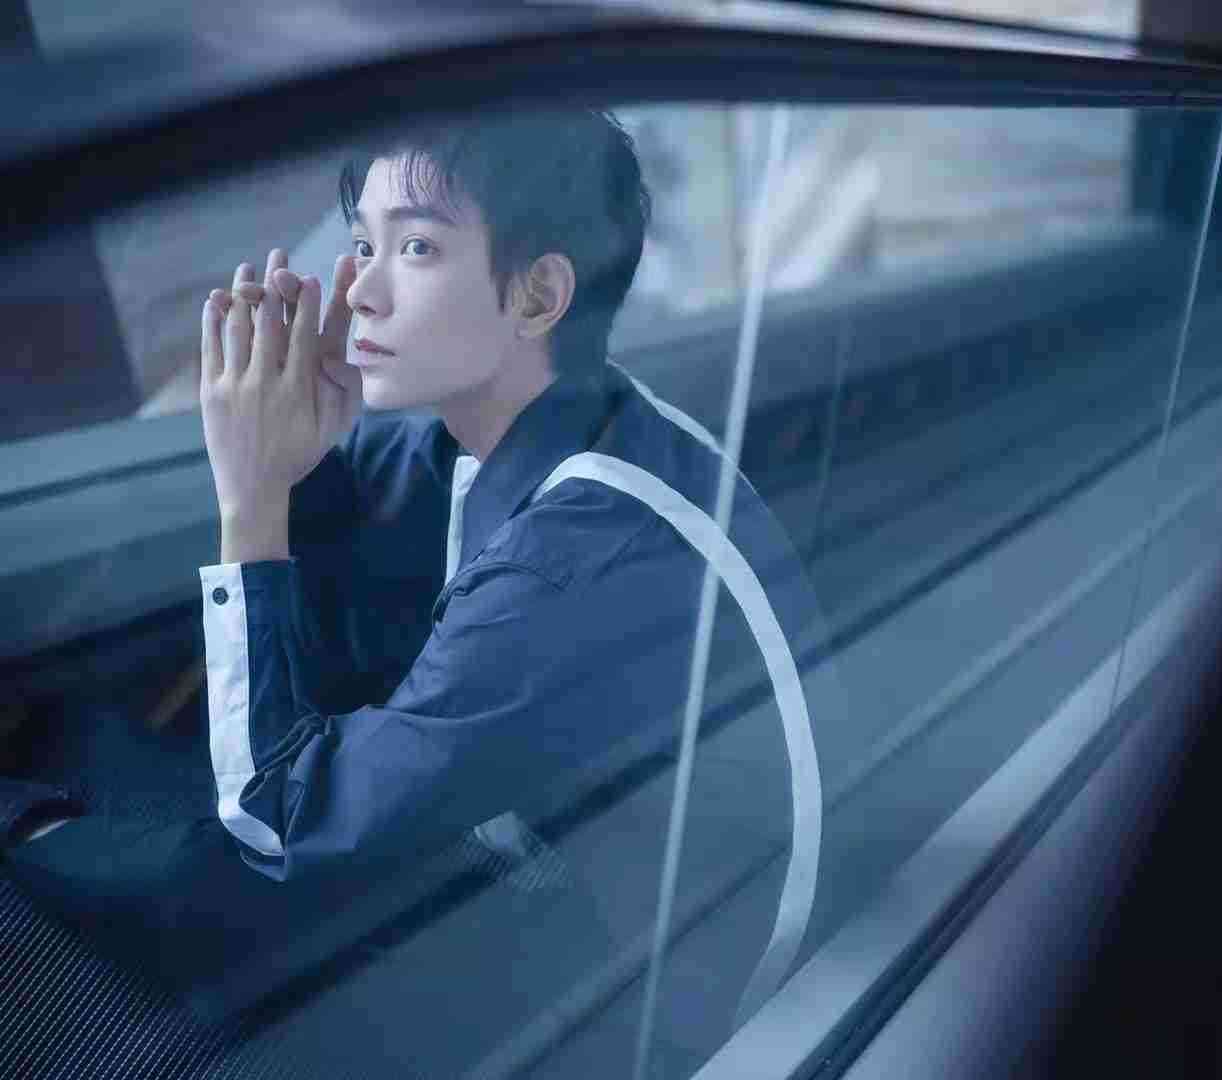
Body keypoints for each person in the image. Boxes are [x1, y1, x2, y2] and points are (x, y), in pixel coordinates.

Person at [1, 108, 830, 1039]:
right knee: (153, 826)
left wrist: (253, 497)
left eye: (417, 248)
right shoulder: (540, 427)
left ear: (538, 297)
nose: (358, 289)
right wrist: (299, 468)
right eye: (361, 244)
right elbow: (350, 631)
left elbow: (283, 829)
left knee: (196, 919)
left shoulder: (574, 559)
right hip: (607, 895)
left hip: (693, 1009)